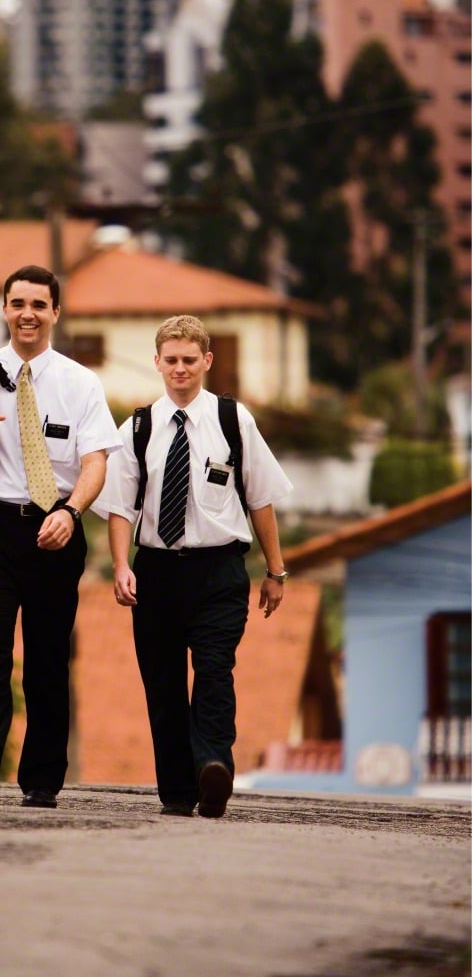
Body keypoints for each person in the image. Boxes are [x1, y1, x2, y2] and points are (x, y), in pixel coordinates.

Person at [0, 264, 121, 809]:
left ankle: (41, 778)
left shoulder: (80, 383)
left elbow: (95, 460)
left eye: (39, 304)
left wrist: (73, 511)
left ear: (55, 312)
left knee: (46, 658)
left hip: (54, 529)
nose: (28, 314)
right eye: (18, 303)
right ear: (5, 310)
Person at [101, 315, 292, 819]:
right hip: (157, 573)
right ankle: (177, 793)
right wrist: (121, 565)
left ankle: (213, 768)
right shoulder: (138, 428)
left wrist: (275, 571)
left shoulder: (233, 420)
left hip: (219, 572)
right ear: (158, 363)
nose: (180, 369)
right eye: (171, 360)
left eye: (190, 360)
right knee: (162, 684)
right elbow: (120, 506)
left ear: (206, 361)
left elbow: (263, 498)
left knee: (214, 671)